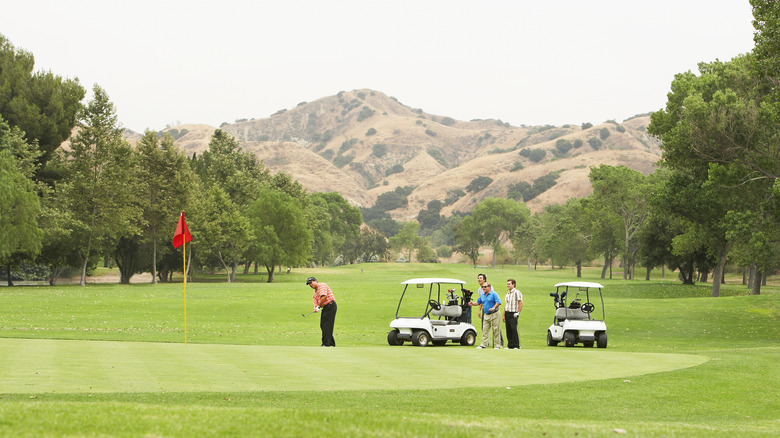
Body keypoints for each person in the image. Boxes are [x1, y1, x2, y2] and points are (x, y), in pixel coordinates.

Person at [469, 282, 502, 349]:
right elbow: (478, 302)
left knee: (496, 330)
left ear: (489, 287)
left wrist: (493, 308)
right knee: (485, 330)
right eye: (482, 287)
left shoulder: (494, 294)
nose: (483, 288)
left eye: (485, 287)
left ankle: (497, 345)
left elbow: (498, 302)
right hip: (486, 314)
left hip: (494, 314)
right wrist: (472, 303)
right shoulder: (483, 295)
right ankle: (484, 344)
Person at [306, 276, 337, 347]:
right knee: (323, 325)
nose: (311, 285)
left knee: (327, 325)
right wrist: (315, 308)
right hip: (326, 308)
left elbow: (324, 297)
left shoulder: (322, 285)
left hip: (330, 306)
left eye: (311, 282)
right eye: (309, 284)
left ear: (315, 281)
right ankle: (331, 343)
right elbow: (315, 302)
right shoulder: (315, 294)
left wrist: (318, 306)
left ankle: (326, 344)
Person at [477, 273, 504, 347]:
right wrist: (479, 310)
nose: (479, 279)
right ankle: (485, 343)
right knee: (485, 327)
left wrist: (494, 308)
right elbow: (481, 301)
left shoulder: (490, 289)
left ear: (484, 280)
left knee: (495, 328)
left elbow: (494, 300)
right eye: (478, 278)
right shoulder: (479, 290)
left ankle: (499, 343)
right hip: (485, 310)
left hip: (493, 311)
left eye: (480, 278)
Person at [503, 278, 523, 349]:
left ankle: (516, 345)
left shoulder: (517, 292)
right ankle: (510, 345)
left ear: (513, 284)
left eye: (509, 284)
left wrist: (518, 312)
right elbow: (506, 305)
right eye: (507, 284)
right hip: (507, 313)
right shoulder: (508, 294)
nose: (507, 285)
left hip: (514, 313)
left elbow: (520, 303)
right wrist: (503, 315)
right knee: (508, 329)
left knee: (513, 329)